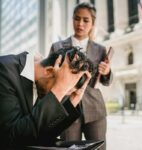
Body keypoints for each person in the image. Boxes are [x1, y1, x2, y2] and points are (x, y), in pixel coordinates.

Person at [49, 2, 113, 150]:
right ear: (72, 19)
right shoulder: (57, 47)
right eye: (77, 19)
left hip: (95, 109)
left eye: (86, 20)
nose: (80, 24)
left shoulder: (100, 49)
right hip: (66, 109)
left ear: (93, 23)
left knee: (99, 148)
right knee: (68, 148)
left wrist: (107, 72)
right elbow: (49, 78)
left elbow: (106, 81)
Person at [0, 48, 92, 150]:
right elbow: (10, 138)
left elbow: (42, 134)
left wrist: (73, 101)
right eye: (62, 89)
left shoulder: (42, 84)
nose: (59, 97)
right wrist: (59, 89)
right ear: (49, 71)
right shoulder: (4, 71)